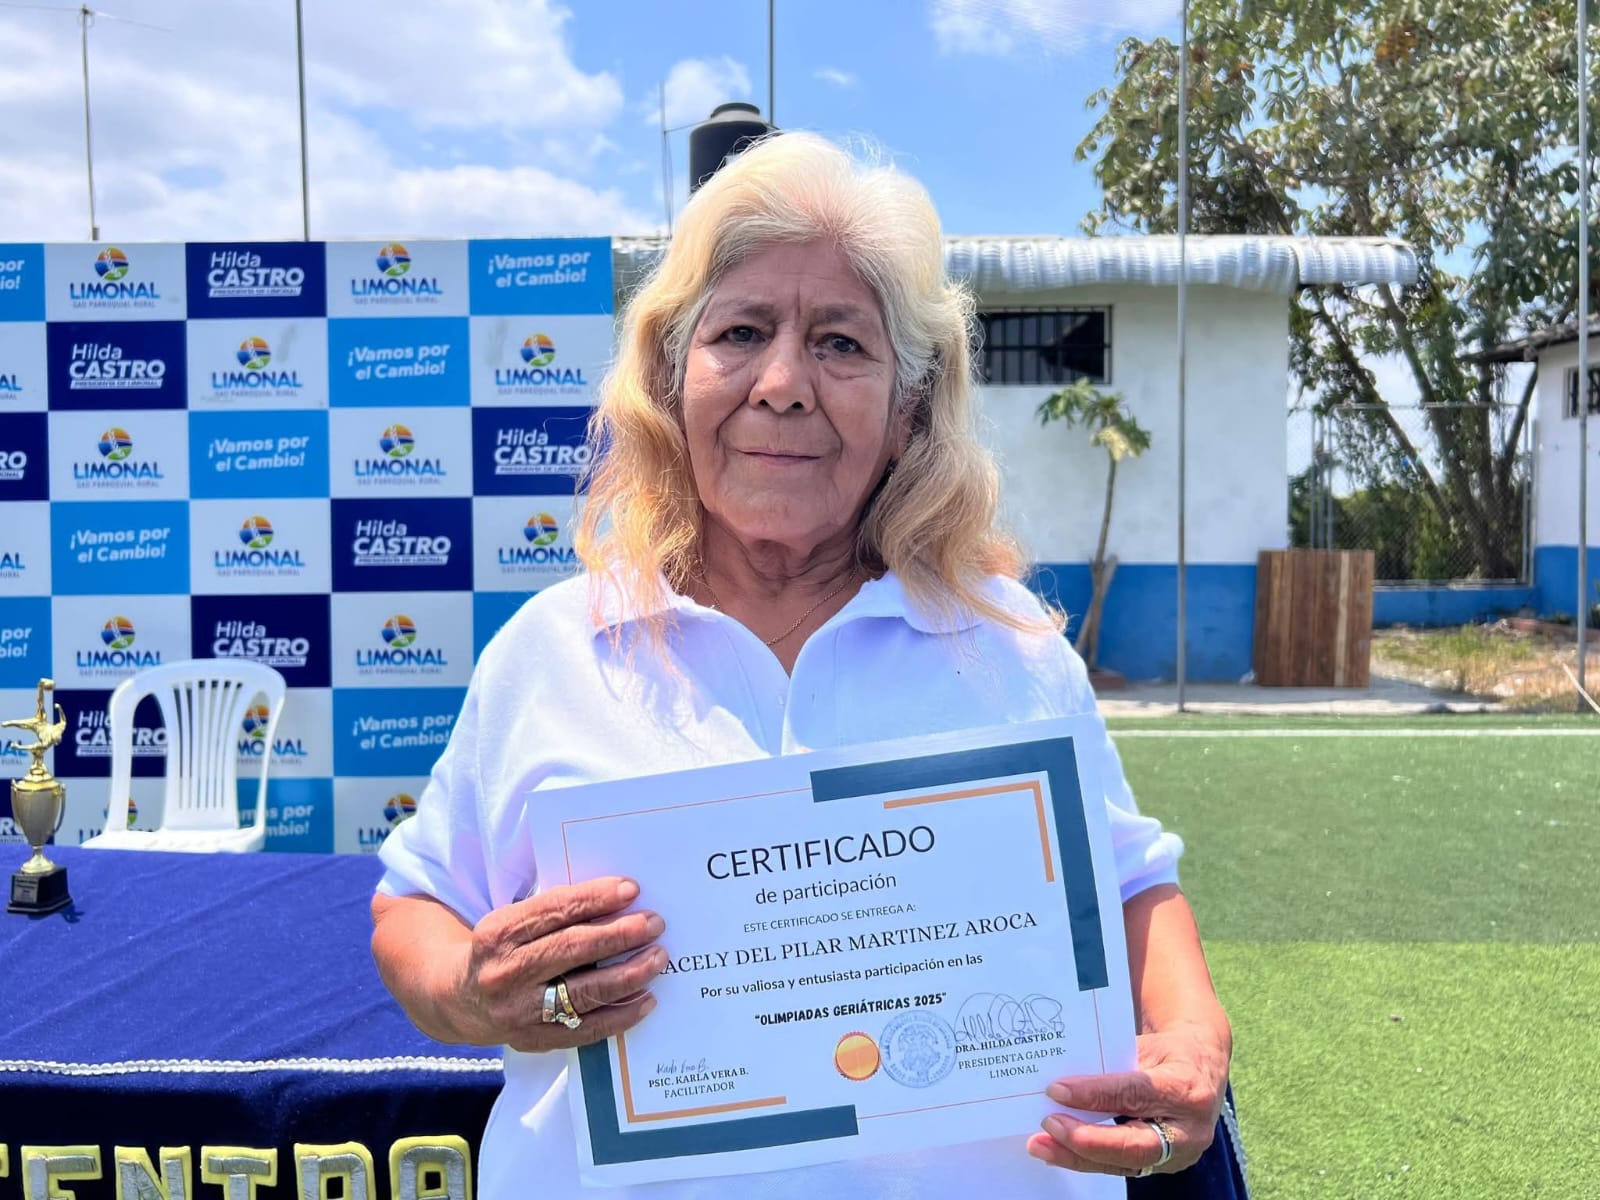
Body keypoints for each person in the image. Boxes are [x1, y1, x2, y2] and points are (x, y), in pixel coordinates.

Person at [371, 131, 1234, 1199]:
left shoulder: (1006, 642)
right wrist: (468, 994)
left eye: (840, 343)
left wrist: (1190, 1035)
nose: (782, 384)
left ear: (909, 405)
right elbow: (415, 905)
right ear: (671, 377)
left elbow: (1133, 884)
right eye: (739, 333)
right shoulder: (553, 649)